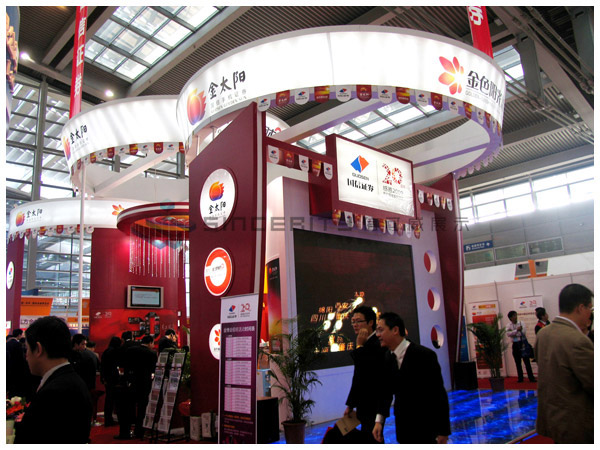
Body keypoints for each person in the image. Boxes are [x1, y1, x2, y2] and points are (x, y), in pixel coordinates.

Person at [373, 312, 450, 444]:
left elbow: (438, 394)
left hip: (426, 429)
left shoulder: (424, 356)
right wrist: (379, 421)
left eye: (381, 330)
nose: (377, 335)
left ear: (395, 330)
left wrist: (443, 430)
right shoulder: (388, 357)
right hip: (403, 429)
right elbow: (386, 391)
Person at [15, 316, 92, 444]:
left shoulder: (54, 392)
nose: (26, 356)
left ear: (38, 349)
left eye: (27, 349)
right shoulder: (70, 380)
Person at [535, 283, 593, 444]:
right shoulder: (577, 340)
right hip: (577, 423)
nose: (590, 313)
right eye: (590, 308)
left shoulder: (544, 334)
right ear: (581, 308)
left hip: (554, 418)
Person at [343, 305, 386, 442]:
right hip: (363, 404)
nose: (355, 325)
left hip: (373, 403)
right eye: (353, 322)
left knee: (373, 437)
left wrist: (360, 347)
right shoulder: (365, 343)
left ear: (371, 322)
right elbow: (357, 377)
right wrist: (351, 404)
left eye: (358, 321)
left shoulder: (378, 343)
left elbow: (366, 372)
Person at [124, 335, 158, 439]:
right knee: (142, 408)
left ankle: (126, 430)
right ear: (150, 343)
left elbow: (126, 365)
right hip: (144, 383)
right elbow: (153, 369)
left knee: (129, 407)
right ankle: (139, 431)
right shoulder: (151, 354)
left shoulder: (130, 350)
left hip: (131, 382)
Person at [506, 311, 536, 383]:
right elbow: (508, 334)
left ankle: (531, 377)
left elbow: (523, 332)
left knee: (526, 361)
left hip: (522, 343)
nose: (515, 317)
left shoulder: (521, 323)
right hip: (515, 344)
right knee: (517, 362)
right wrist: (517, 330)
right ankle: (520, 378)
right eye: (514, 316)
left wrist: (514, 333)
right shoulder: (508, 325)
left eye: (516, 315)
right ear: (510, 318)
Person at [101, 336, 122, 427]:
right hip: (114, 379)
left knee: (109, 400)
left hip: (107, 379)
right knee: (116, 400)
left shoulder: (106, 352)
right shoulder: (116, 352)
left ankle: (108, 419)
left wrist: (103, 378)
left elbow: (102, 366)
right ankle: (118, 419)